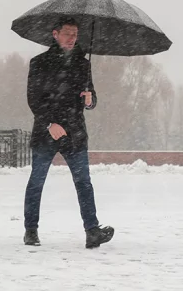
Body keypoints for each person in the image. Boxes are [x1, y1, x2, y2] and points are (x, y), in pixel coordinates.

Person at [23, 16, 114, 248]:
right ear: (55, 34)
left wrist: (91, 100)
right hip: (47, 132)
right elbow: (33, 98)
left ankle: (92, 231)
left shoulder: (84, 64)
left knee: (84, 182)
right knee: (37, 181)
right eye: (67, 34)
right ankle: (30, 230)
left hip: (75, 133)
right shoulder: (39, 62)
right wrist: (49, 124)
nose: (72, 38)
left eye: (75, 34)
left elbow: (90, 98)